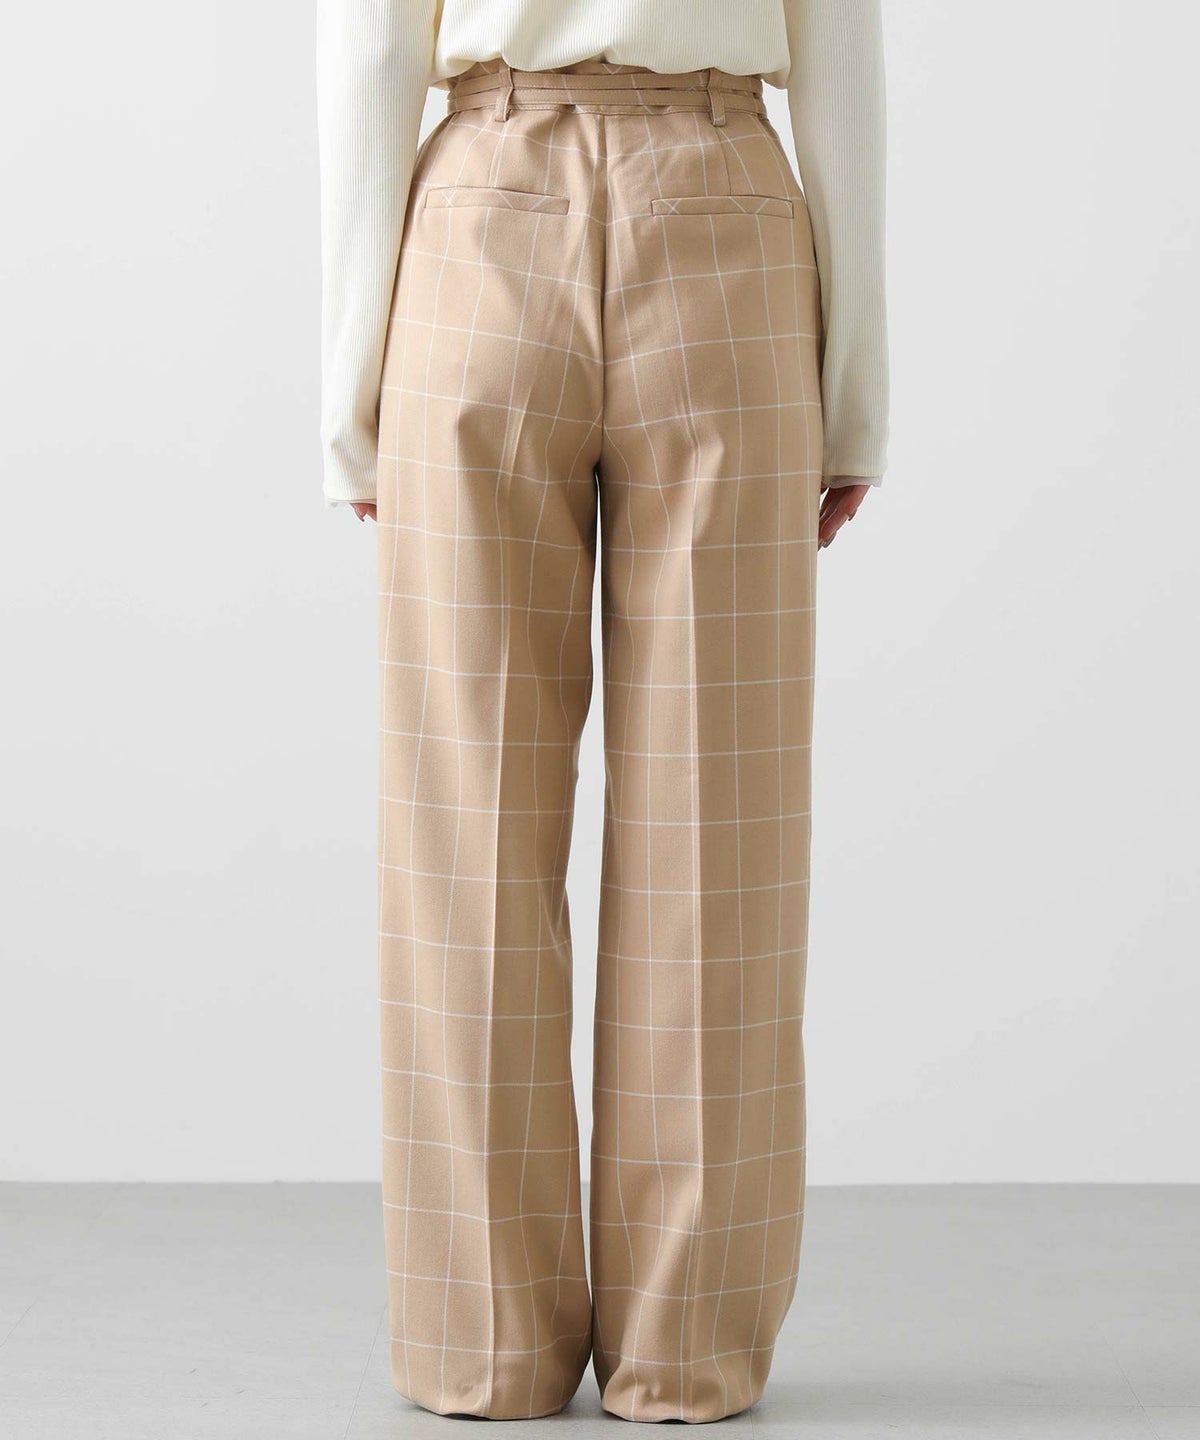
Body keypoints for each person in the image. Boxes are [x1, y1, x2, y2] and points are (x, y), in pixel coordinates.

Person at [316, 0, 888, 1423]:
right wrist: (854, 395)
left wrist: (350, 393)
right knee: (718, 830)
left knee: (464, 830)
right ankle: (685, 1347)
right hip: (724, 218)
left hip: (481, 222)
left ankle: (484, 1344)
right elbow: (840, 50)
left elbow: (374, 49)